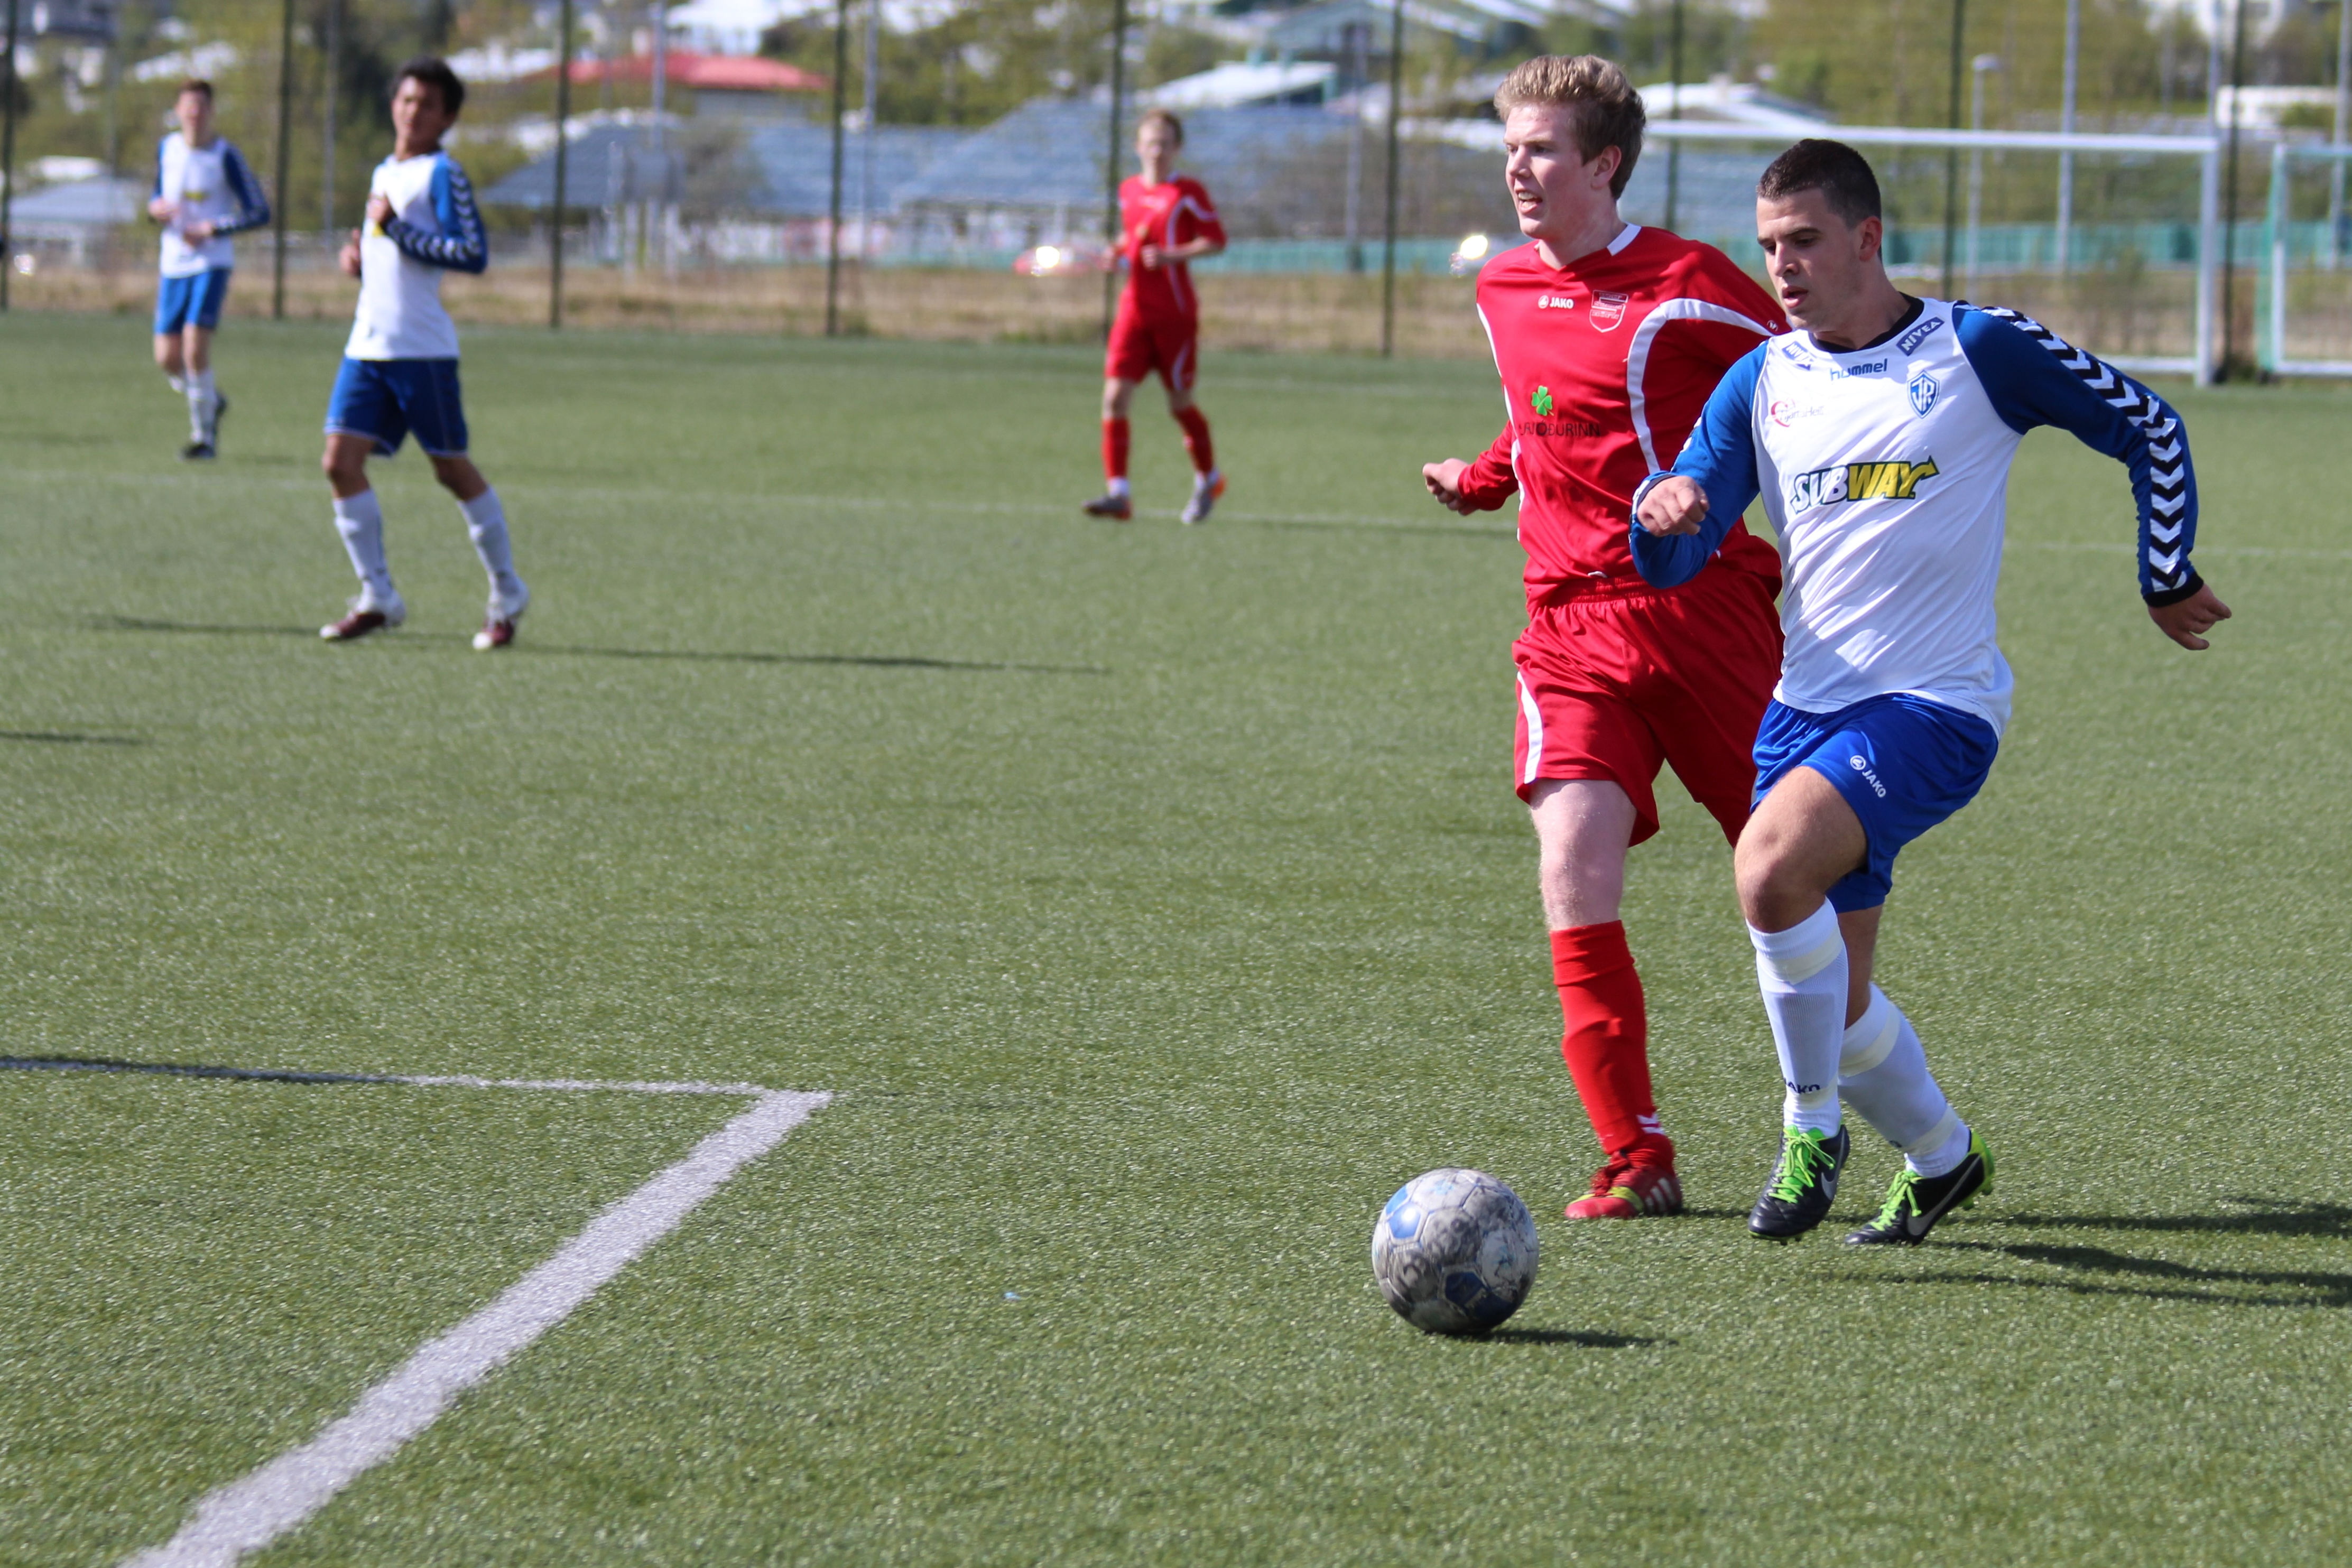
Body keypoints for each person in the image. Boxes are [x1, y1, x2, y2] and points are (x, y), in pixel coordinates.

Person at [1632, 138, 2230, 1244]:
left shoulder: (1975, 346)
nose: (1782, 266)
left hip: (1935, 707)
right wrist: (1659, 511)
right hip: (1803, 713)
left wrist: (2163, 574)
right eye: (1768, 246)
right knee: (1840, 1004)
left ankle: (1808, 1132)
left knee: (1765, 870)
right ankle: (1944, 1157)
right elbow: (1679, 548)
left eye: (1805, 240)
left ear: (1867, 238)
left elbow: (2148, 423)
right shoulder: (1761, 381)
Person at [1419, 54, 1790, 1222]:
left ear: (1604, 163)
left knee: (1791, 881)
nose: (1517, 170)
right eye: (1510, 149)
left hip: (1702, 615)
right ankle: (1636, 1152)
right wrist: (1485, 478)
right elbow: (1540, 412)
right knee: (1571, 871)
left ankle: (1846, 1116)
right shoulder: (1500, 287)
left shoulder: (1687, 283)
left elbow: (1807, 375)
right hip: (1568, 630)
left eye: (1540, 149)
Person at [318, 58, 528, 652]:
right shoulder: (385, 170)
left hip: (421, 351)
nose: (413, 112)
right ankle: (377, 596)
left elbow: (472, 253)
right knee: (339, 463)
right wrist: (361, 260)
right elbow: (392, 256)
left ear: (447, 118)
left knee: (451, 470)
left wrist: (397, 233)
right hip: (367, 345)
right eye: (407, 100)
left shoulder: (443, 173)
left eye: (428, 105)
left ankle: (507, 592)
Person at [1084, 109, 1228, 525]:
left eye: (1165, 143)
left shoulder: (1187, 192)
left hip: (1174, 313)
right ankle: (1119, 493)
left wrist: (1171, 256)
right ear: (1138, 147)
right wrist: (1116, 251)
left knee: (1180, 404)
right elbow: (1133, 234)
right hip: (1134, 311)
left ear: (1177, 148)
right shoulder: (1128, 190)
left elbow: (1216, 240)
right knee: (1114, 398)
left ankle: (1209, 479)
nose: (1157, 151)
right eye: (1150, 143)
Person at [147, 79, 271, 461]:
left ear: (212, 112)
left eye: (202, 106)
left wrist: (211, 229)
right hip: (173, 263)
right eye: (189, 105)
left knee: (194, 348)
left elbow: (259, 211)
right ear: (178, 110)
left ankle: (204, 439)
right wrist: (155, 209)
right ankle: (211, 400)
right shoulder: (167, 148)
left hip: (210, 263)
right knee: (167, 358)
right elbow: (157, 196)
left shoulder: (225, 156)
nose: (195, 113)